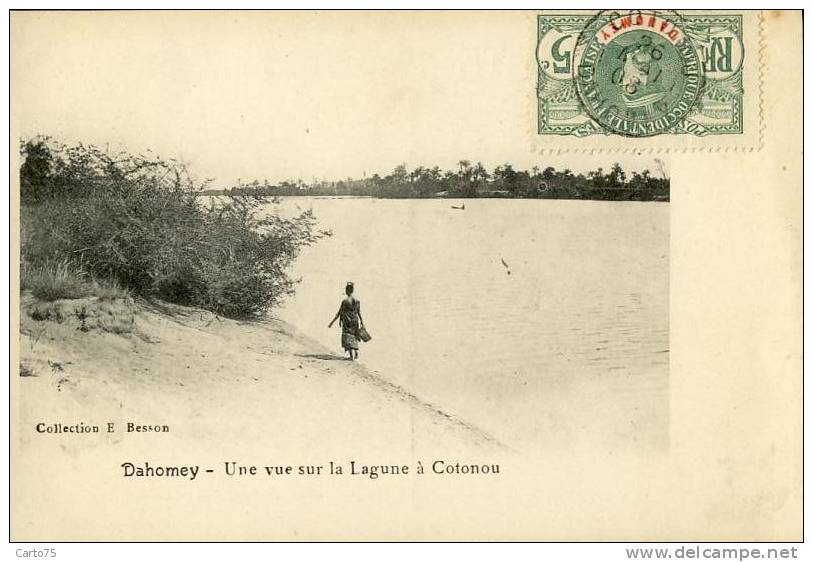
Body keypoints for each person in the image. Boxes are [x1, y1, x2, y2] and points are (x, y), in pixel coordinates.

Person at [328, 282, 365, 360]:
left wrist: (332, 322)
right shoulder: (357, 301)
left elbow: (339, 312)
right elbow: (359, 312)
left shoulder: (345, 301)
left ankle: (351, 357)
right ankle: (356, 353)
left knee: (347, 337)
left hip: (347, 321)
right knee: (354, 336)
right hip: (355, 321)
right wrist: (362, 322)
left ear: (346, 291)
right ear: (352, 290)